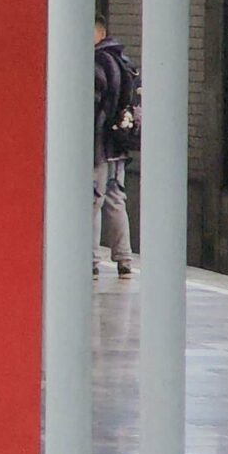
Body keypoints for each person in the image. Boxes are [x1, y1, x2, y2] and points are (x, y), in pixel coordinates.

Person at [94, 16, 138, 276]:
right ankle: (124, 258)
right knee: (115, 199)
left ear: (100, 33)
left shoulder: (98, 62)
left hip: (100, 146)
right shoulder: (123, 61)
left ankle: (90, 258)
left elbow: (96, 105)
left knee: (93, 201)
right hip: (119, 145)